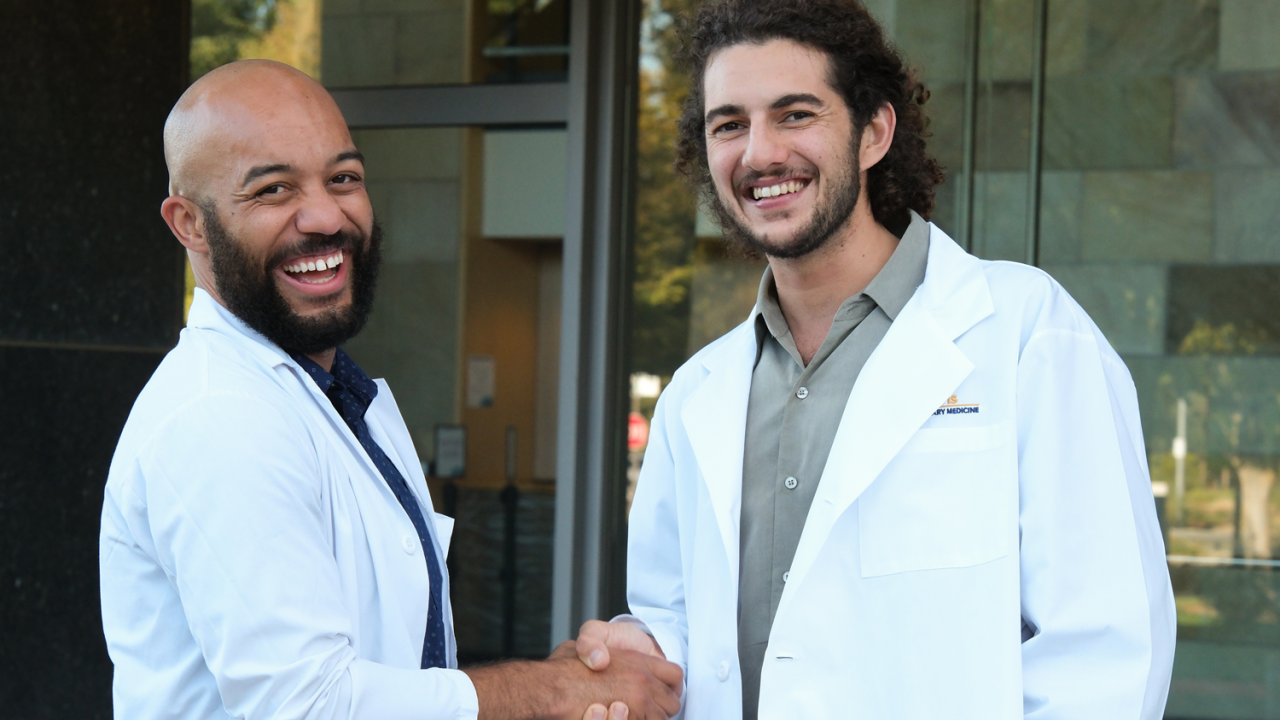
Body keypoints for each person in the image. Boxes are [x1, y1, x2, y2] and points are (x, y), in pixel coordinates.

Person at [574, 1, 1176, 717]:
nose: (759, 153)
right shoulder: (696, 393)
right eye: (729, 123)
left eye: (795, 114)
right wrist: (637, 649)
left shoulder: (1026, 335)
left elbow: (1106, 651)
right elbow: (678, 618)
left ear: (874, 133)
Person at [98, 60, 681, 720]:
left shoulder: (331, 395)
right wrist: (556, 691)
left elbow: (393, 673)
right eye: (272, 190)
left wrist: (555, 682)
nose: (324, 216)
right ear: (190, 224)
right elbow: (311, 706)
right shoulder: (220, 415)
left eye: (343, 178)